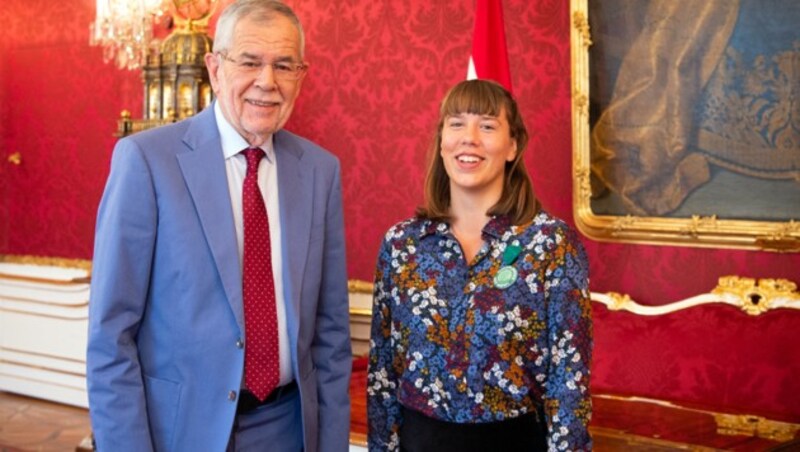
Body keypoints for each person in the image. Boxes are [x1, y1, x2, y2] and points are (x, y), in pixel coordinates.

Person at [87, 1, 351, 451]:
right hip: (180, 431)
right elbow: (111, 337)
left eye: (283, 65)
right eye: (249, 61)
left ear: (300, 76)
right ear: (214, 67)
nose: (266, 82)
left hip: (287, 429)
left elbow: (331, 335)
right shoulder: (147, 162)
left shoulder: (319, 172)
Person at [367, 79, 592, 451]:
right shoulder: (401, 245)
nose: (469, 137)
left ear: (512, 145)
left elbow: (569, 385)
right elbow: (382, 376)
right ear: (442, 142)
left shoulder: (551, 244)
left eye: (487, 126)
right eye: (456, 124)